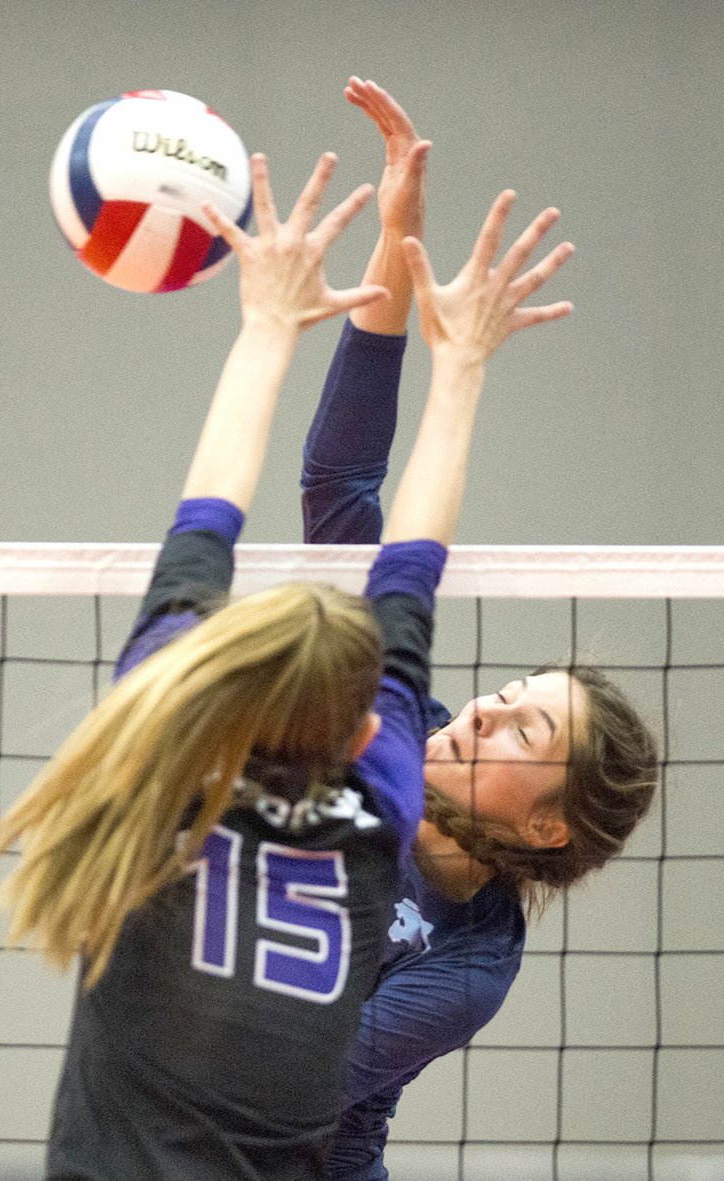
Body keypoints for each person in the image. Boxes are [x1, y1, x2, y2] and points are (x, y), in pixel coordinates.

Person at [0, 139, 552, 1180]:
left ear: (210, 680)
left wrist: (267, 325)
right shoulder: (382, 813)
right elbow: (401, 561)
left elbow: (342, 553)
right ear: (372, 729)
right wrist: (457, 363)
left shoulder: (168, 759)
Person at [300, 79, 658, 1180]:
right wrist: (392, 268)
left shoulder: (465, 966)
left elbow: (290, 1082)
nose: (492, 706)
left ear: (549, 829)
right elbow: (342, 494)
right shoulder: (394, 720)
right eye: (512, 690)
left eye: (523, 731)